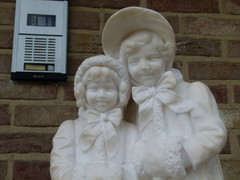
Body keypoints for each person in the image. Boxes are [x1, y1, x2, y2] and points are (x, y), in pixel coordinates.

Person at [102, 7, 227, 180]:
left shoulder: (193, 91)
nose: (144, 67)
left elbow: (214, 134)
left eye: (152, 58)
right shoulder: (132, 105)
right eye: (135, 61)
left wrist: (178, 158)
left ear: (166, 59)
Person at [50, 55, 138, 180]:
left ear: (120, 92)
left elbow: (138, 170)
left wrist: (111, 173)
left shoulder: (130, 131)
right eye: (94, 89)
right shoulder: (69, 129)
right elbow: (59, 169)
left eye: (109, 88)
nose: (101, 95)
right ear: (82, 92)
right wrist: (87, 174)